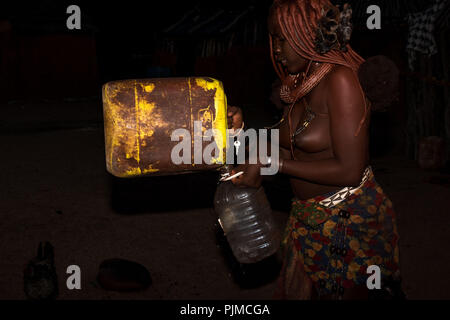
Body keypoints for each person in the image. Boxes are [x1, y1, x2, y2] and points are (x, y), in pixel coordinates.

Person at [226, 0, 402, 300]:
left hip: (350, 221)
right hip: (308, 218)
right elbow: (290, 137)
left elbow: (349, 171)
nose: (276, 49)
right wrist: (244, 129)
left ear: (306, 34)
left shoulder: (342, 81)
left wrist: (275, 164)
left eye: (282, 39)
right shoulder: (300, 80)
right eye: (273, 39)